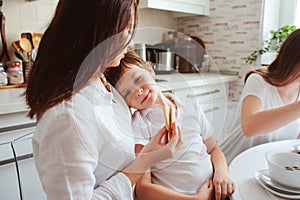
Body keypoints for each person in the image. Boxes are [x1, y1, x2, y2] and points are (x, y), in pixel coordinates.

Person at [25, 0, 183, 199]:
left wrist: (162, 101)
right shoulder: (68, 117)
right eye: (126, 30)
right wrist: (145, 161)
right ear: (97, 32)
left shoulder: (101, 79)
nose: (131, 42)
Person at [105, 51, 235, 200]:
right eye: (127, 93)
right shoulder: (140, 124)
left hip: (217, 191)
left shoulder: (190, 105)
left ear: (149, 69)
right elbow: (143, 189)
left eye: (138, 79)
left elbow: (213, 149)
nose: (138, 91)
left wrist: (222, 173)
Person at [220, 28, 300, 163]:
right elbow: (250, 127)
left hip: (266, 168)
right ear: (293, 58)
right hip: (231, 165)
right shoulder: (259, 81)